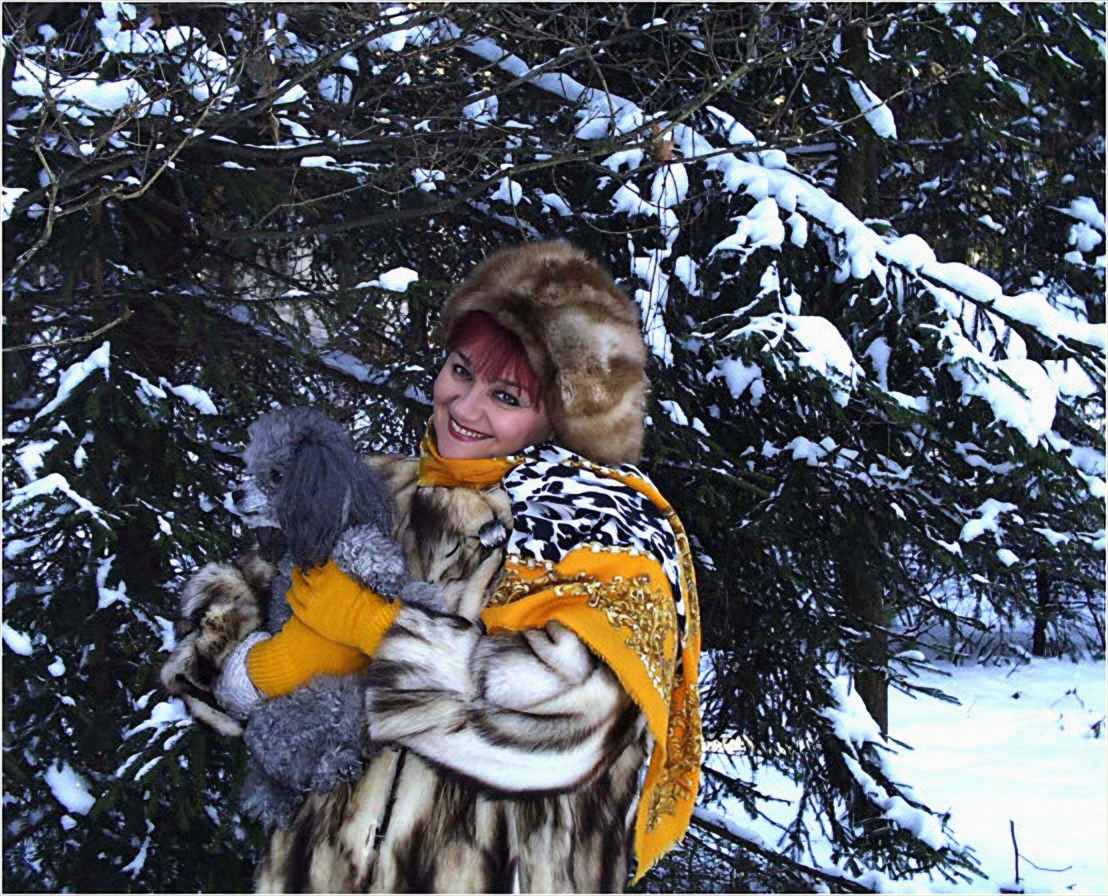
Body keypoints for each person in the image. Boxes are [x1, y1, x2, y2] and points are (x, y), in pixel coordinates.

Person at [173, 241, 702, 893]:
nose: (465, 406)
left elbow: (569, 720)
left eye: (505, 395)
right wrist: (249, 667)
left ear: (563, 415)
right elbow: (235, 598)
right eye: (460, 371)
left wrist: (377, 628)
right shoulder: (375, 489)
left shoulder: (610, 532)